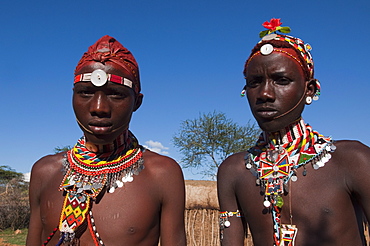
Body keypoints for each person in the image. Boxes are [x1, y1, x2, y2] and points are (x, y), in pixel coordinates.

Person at [217, 18, 370, 246]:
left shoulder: (353, 161)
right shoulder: (233, 171)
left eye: (281, 80)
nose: (265, 94)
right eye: (254, 82)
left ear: (309, 89)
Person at [27, 35, 186, 246]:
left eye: (116, 95)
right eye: (85, 93)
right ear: (72, 96)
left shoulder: (163, 174)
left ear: (136, 102)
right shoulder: (43, 172)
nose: (99, 108)